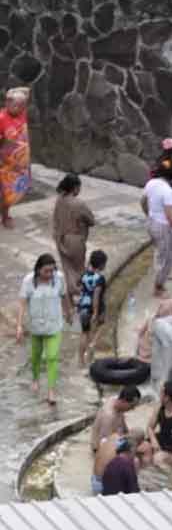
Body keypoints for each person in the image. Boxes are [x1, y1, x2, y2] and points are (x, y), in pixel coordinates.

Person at [16, 254, 70, 404]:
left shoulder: (58, 278)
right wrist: (19, 325)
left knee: (52, 357)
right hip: (36, 326)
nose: (49, 274)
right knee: (36, 356)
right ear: (38, 270)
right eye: (46, 271)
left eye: (52, 271)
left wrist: (68, 312)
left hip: (54, 325)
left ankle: (51, 391)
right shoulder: (28, 281)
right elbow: (22, 303)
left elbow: (64, 295)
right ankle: (35, 379)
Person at [141, 155, 172, 298]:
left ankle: (160, 278)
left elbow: (143, 200)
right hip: (163, 227)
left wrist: (148, 214)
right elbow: (170, 217)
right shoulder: (168, 191)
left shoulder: (151, 183)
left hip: (151, 222)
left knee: (161, 252)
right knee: (168, 258)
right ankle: (158, 288)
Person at [52, 173, 95, 313]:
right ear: (75, 187)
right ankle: (82, 299)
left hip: (60, 238)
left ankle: (70, 302)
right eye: (79, 187)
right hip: (75, 239)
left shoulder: (59, 200)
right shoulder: (78, 204)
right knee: (79, 270)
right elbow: (91, 220)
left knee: (68, 270)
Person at [0, 87, 31, 228]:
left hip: (21, 163)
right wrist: (11, 163)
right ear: (7, 103)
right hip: (6, 163)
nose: (20, 108)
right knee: (4, 192)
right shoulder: (1, 118)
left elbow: (27, 90)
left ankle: (6, 214)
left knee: (13, 192)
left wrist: (12, 93)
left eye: (22, 106)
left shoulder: (21, 113)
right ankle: (5, 217)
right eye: (16, 105)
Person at [77, 250, 108, 366]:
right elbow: (96, 295)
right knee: (101, 325)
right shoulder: (100, 278)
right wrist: (95, 312)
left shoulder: (85, 275)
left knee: (84, 332)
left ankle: (81, 360)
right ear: (102, 265)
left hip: (83, 307)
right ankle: (92, 345)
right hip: (94, 307)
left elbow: (80, 289)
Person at [91, 386, 143, 453]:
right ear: (124, 401)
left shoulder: (115, 400)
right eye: (132, 406)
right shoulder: (108, 416)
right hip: (104, 447)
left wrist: (130, 435)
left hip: (116, 438)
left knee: (139, 433)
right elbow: (104, 444)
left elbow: (122, 423)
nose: (133, 409)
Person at [135, 298, 172, 365]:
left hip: (141, 351)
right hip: (148, 359)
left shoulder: (151, 318)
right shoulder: (167, 327)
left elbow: (140, 333)